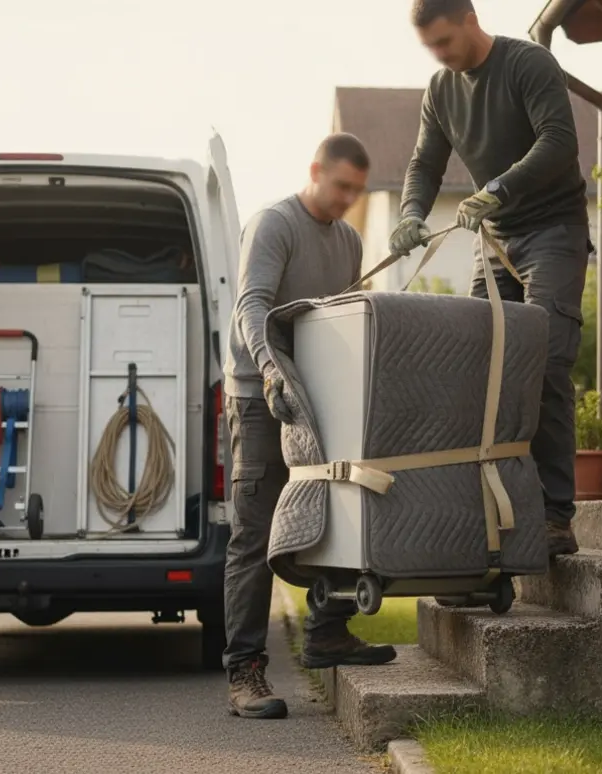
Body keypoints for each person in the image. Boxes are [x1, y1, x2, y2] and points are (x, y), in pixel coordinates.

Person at [391, 0, 592, 559]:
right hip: (494, 240)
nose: (439, 56)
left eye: (444, 43)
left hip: (552, 229)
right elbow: (424, 166)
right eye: (429, 48)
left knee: (545, 358)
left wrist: (498, 188)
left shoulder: (527, 64)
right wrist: (411, 213)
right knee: (483, 373)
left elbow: (558, 142)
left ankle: (555, 518)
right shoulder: (441, 89)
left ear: (469, 20)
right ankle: (492, 514)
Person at [221, 133, 398, 720]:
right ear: (316, 171)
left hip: (318, 395)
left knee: (345, 502)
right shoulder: (274, 224)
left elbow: (341, 319)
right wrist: (271, 371)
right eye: (341, 186)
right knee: (253, 529)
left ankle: (329, 632)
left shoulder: (347, 240)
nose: (349, 199)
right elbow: (252, 304)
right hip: (260, 391)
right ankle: (244, 671)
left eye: (356, 190)